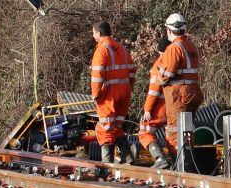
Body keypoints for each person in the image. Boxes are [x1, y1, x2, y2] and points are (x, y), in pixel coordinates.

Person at [138, 12, 203, 169]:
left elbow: (165, 76)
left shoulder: (174, 48)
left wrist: (158, 71)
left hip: (178, 96)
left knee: (174, 131)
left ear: (169, 30)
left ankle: (178, 166)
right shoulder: (190, 45)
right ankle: (185, 165)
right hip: (193, 93)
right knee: (186, 130)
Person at [85, 20, 134, 164]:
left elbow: (97, 75)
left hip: (108, 96)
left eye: (93, 33)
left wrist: (95, 94)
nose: (93, 36)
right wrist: (128, 88)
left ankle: (107, 163)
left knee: (105, 127)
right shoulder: (122, 48)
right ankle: (127, 155)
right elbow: (132, 72)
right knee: (116, 126)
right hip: (124, 94)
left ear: (99, 33)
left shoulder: (101, 50)